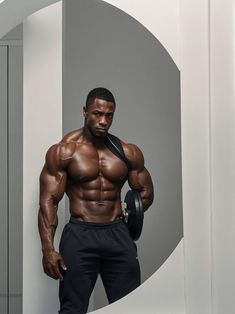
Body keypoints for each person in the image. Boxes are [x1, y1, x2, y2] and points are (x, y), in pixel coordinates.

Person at [38, 87, 154, 314]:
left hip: (117, 233)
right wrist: (48, 249)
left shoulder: (127, 151)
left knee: (131, 307)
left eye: (109, 115)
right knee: (72, 309)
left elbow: (146, 192)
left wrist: (129, 220)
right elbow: (48, 201)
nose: (103, 121)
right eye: (97, 113)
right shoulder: (65, 151)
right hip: (80, 235)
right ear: (84, 112)